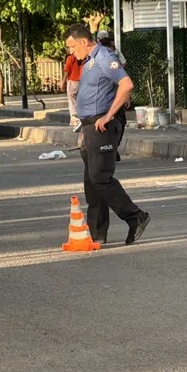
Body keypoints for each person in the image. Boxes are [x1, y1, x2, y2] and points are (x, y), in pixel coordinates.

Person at [66, 24, 150, 245]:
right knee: (92, 182)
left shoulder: (104, 57)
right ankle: (96, 232)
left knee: (100, 178)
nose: (71, 52)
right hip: (90, 128)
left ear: (83, 42)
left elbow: (126, 84)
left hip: (103, 127)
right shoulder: (89, 61)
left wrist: (109, 115)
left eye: (72, 47)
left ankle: (136, 217)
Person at [62, 51, 84, 127]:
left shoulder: (71, 58)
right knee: (80, 101)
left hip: (72, 81)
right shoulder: (83, 57)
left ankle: (75, 120)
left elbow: (67, 71)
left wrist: (63, 82)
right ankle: (81, 118)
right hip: (82, 81)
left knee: (72, 102)